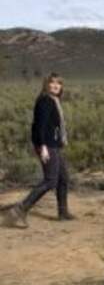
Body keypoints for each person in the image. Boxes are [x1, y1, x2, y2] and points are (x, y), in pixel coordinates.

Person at [5, 72, 73, 227]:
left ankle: (63, 212)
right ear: (46, 85)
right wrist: (43, 147)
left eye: (59, 83)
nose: (56, 85)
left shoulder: (54, 101)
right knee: (50, 180)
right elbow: (39, 126)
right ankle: (19, 210)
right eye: (52, 82)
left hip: (54, 144)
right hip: (47, 145)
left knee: (63, 178)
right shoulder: (45, 101)